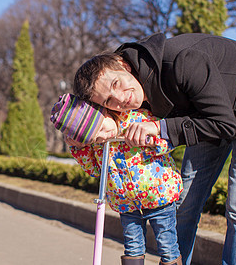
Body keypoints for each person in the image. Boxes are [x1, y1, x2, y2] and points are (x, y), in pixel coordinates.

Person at [72, 33, 236, 265]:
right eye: (109, 101)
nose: (121, 99)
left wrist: (158, 127)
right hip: (205, 116)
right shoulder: (133, 92)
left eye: (116, 84)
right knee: (185, 203)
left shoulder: (183, 61)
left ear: (123, 65)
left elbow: (223, 124)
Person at [50, 93, 183, 265]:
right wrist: (81, 150)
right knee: (132, 246)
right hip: (125, 202)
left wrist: (151, 142)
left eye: (103, 129)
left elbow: (169, 142)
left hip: (159, 195)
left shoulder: (138, 119)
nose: (104, 137)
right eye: (96, 138)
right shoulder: (98, 144)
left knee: (167, 244)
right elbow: (95, 170)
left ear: (105, 113)